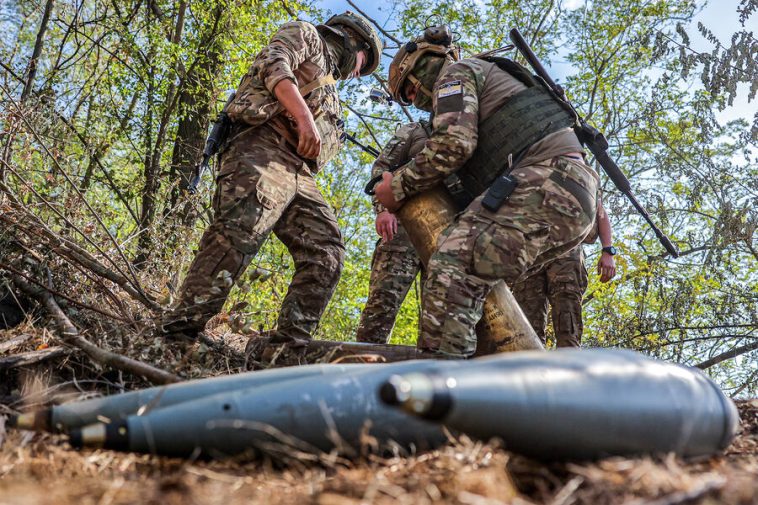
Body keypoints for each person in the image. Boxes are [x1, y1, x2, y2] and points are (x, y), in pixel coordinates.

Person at [375, 28, 599, 357]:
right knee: (482, 286)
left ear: (426, 64)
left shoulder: (455, 74)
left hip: (543, 182)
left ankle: (447, 384)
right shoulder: (492, 77)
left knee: (453, 267)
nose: (413, 98)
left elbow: (454, 144)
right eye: (405, 97)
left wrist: (396, 187)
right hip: (571, 196)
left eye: (409, 87)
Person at [160, 12, 382, 344]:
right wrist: (304, 118)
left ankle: (283, 351)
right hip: (262, 146)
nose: (357, 73)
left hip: (300, 172)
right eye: (362, 64)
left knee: (327, 252)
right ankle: (177, 335)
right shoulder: (306, 34)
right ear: (353, 39)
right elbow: (274, 63)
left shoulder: (332, 89)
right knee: (240, 231)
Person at [355, 121, 430, 344]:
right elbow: (382, 169)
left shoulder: (467, 129)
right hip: (403, 225)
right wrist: (383, 208)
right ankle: (363, 365)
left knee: (441, 319)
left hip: (450, 233)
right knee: (381, 305)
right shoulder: (416, 130)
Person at [512, 198, 617, 347]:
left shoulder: (582, 176)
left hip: (566, 253)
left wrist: (608, 250)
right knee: (527, 331)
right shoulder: (525, 175)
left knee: (568, 327)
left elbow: (599, 209)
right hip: (531, 255)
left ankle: (569, 368)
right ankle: (532, 368)